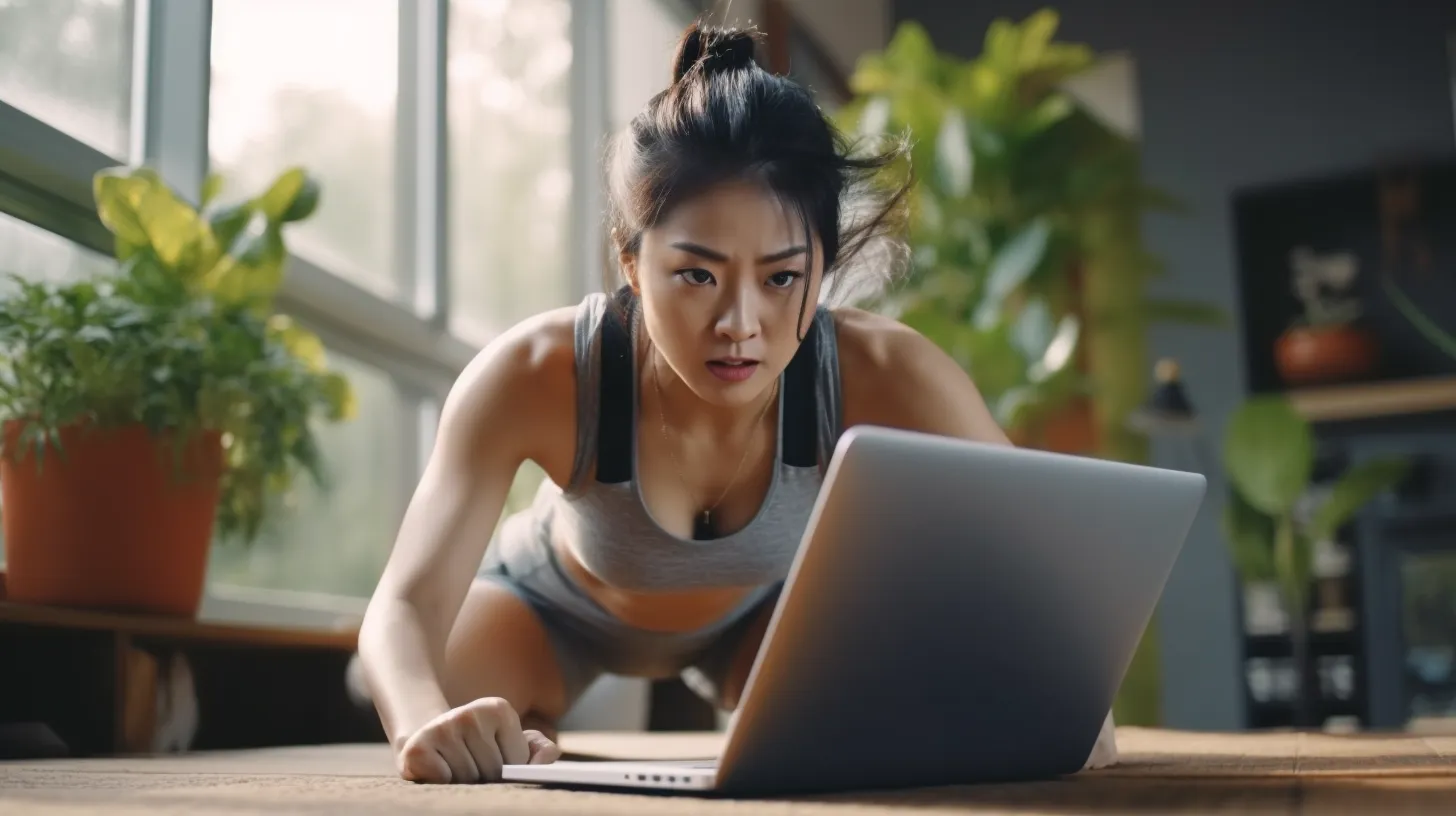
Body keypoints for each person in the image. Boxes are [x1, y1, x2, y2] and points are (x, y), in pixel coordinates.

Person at [356, 21, 1119, 785]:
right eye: (698, 276)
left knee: (871, 741)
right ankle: (532, 720)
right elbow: (405, 605)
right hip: (549, 614)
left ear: (823, 264)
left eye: (782, 277)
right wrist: (423, 721)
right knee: (456, 723)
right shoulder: (537, 371)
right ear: (629, 258)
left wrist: (1074, 704)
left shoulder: (885, 370)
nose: (740, 326)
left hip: (759, 623)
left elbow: (1036, 570)